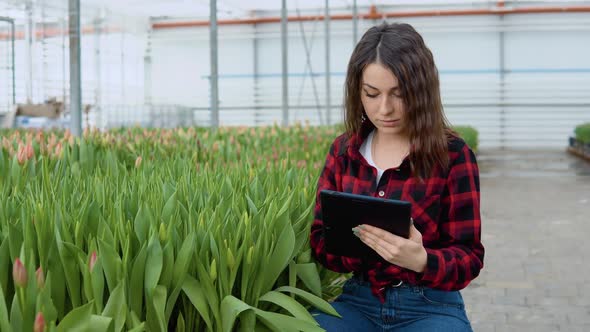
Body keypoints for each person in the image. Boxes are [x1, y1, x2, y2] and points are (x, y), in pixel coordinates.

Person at [310, 22, 484, 331]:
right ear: (358, 91)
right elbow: (320, 241)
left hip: (430, 304)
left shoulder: (453, 155)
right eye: (372, 94)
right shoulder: (344, 151)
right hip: (358, 300)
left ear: (421, 90)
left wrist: (420, 260)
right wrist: (359, 249)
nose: (385, 108)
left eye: (399, 94)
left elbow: (469, 258)